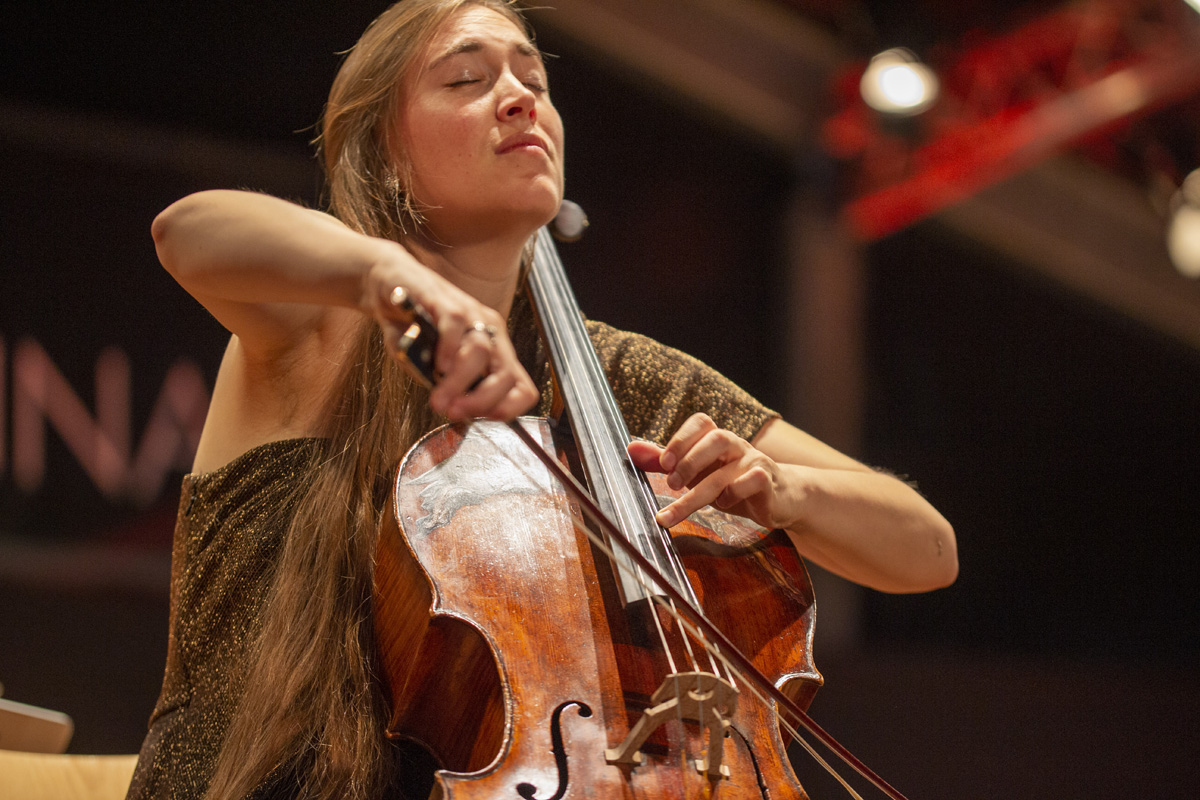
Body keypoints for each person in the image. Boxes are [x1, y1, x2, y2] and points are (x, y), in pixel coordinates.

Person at [128, 1, 958, 798]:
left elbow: (927, 547)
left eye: (534, 80)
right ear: (384, 153)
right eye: (466, 79)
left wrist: (785, 490)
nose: (520, 97)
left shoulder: (613, 377)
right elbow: (188, 230)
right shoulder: (328, 323)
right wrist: (390, 279)